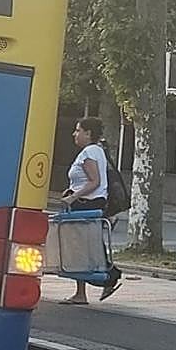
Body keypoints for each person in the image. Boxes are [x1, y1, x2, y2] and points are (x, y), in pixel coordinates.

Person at [59, 117, 121, 305]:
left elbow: (95, 182)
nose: (74, 134)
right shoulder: (95, 151)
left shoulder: (90, 152)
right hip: (87, 202)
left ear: (88, 133)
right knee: (84, 248)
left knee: (82, 248)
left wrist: (73, 197)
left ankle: (110, 276)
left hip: (86, 204)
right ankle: (83, 291)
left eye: (78, 130)